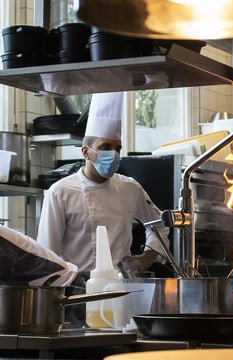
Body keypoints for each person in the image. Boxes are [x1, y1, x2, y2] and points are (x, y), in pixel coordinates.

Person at [37, 92, 169, 324]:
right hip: (75, 294)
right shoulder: (61, 191)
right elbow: (47, 253)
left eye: (117, 148)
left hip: (121, 291)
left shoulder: (130, 188)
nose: (114, 154)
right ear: (86, 152)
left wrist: (147, 257)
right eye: (105, 146)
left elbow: (159, 225)